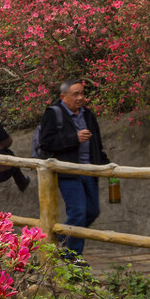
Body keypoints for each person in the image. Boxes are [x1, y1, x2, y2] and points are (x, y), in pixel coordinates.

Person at [37, 79, 110, 259]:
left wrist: (106, 165)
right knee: (78, 213)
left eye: (82, 94)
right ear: (63, 97)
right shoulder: (53, 114)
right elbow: (46, 143)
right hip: (68, 172)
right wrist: (74, 138)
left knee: (92, 211)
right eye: (75, 94)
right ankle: (73, 258)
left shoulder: (88, 115)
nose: (80, 98)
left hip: (89, 171)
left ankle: (57, 240)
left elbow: (96, 145)